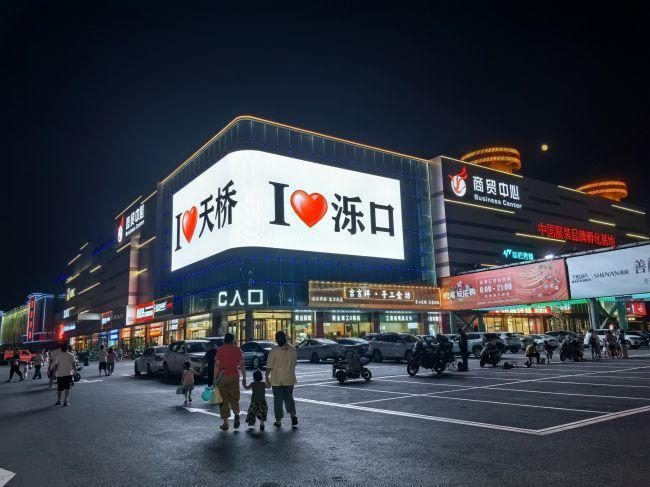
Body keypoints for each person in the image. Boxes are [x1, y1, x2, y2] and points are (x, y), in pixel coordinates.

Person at [265, 330, 298, 428]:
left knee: (278, 401)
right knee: (289, 398)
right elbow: (294, 364)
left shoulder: (274, 350)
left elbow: (269, 365)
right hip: (289, 379)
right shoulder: (292, 349)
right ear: (285, 338)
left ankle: (278, 421)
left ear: (276, 340)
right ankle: (293, 416)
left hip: (277, 380)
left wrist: (266, 376)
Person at [215, 333, 246, 431]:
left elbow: (217, 365)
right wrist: (244, 377)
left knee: (223, 400)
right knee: (234, 397)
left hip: (222, 376)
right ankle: (236, 413)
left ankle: (225, 423)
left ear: (224, 340)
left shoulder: (220, 349)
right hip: (234, 376)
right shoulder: (237, 350)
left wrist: (214, 379)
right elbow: (241, 365)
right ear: (233, 340)